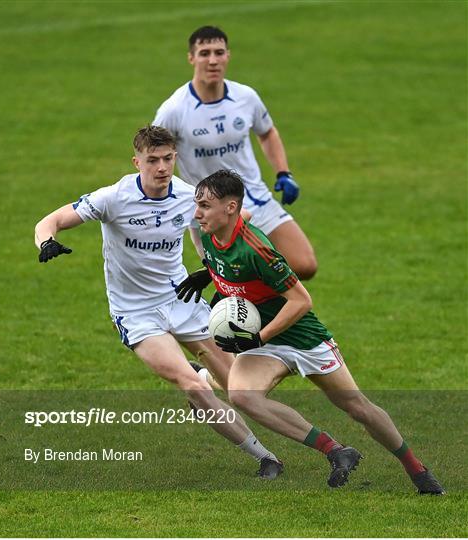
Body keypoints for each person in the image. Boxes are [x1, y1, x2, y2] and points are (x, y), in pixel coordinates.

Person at [34, 125, 284, 480]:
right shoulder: (112, 198)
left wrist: (213, 270)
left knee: (241, 389)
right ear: (137, 162)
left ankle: (318, 443)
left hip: (181, 298)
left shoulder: (187, 196)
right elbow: (52, 219)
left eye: (168, 159)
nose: (162, 167)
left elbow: (236, 219)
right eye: (153, 160)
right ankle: (266, 457)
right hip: (136, 314)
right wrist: (46, 241)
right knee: (194, 386)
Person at [176, 169, 445, 494]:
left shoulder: (258, 251)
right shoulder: (211, 234)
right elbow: (234, 235)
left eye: (205, 205)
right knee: (242, 395)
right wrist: (207, 273)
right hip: (263, 341)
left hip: (301, 337)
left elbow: (301, 300)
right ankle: (336, 451)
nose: (197, 213)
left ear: (229, 207)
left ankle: (417, 470)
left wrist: (258, 337)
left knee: (357, 407)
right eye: (197, 204)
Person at [153, 25, 317, 281]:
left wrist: (284, 172)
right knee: (246, 277)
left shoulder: (245, 97)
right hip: (215, 211)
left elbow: (267, 131)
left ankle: (248, 305)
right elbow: (156, 156)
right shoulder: (174, 110)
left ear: (228, 55)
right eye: (205, 53)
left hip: (256, 198)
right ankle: (246, 310)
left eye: (219, 52)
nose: (213, 60)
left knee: (304, 265)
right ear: (191, 58)